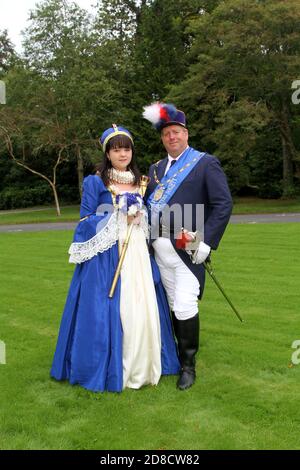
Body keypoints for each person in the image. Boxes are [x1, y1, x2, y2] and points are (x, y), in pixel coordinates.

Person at [50, 124, 180, 393]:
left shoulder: (143, 181)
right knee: (112, 308)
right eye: (116, 149)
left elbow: (151, 219)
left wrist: (141, 216)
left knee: (143, 304)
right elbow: (85, 221)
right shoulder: (95, 181)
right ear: (107, 153)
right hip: (109, 257)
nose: (122, 154)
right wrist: (118, 216)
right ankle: (112, 366)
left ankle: (146, 363)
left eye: (127, 148)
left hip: (138, 256)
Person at [143, 103, 233, 391]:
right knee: (171, 305)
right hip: (158, 252)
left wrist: (207, 241)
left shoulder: (205, 163)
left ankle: (188, 367)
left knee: (184, 305)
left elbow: (223, 205)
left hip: (187, 250)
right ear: (162, 138)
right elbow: (147, 209)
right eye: (167, 133)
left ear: (186, 134)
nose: (172, 137)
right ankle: (175, 359)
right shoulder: (155, 169)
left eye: (177, 132)